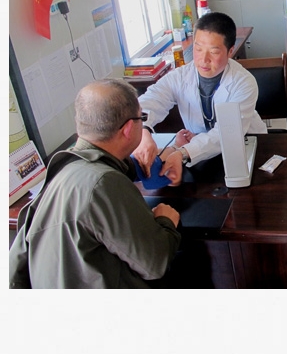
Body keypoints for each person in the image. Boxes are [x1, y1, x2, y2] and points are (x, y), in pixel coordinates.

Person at [9, 79, 182, 289]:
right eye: (141, 118)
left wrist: (140, 163)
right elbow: (155, 264)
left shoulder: (61, 166)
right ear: (128, 128)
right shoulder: (104, 183)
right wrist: (166, 221)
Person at [133, 12, 267, 179]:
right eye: (198, 49)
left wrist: (181, 152)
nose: (204, 59)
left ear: (230, 51)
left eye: (214, 51)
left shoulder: (243, 82)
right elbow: (151, 100)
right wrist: (143, 130)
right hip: (198, 156)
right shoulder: (180, 77)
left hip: (245, 148)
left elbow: (226, 133)